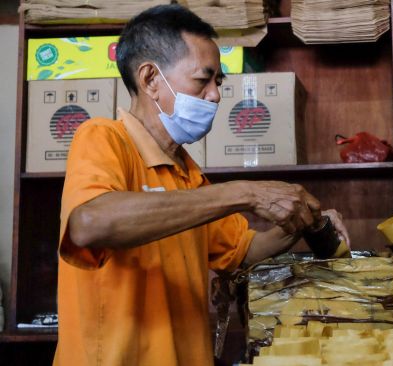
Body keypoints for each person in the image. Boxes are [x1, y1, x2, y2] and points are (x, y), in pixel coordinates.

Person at [53, 4, 349, 366]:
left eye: (219, 82)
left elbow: (243, 252)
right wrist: (245, 192)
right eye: (202, 79)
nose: (215, 95)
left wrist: (301, 218)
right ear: (150, 79)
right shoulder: (103, 138)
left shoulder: (189, 175)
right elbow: (89, 224)